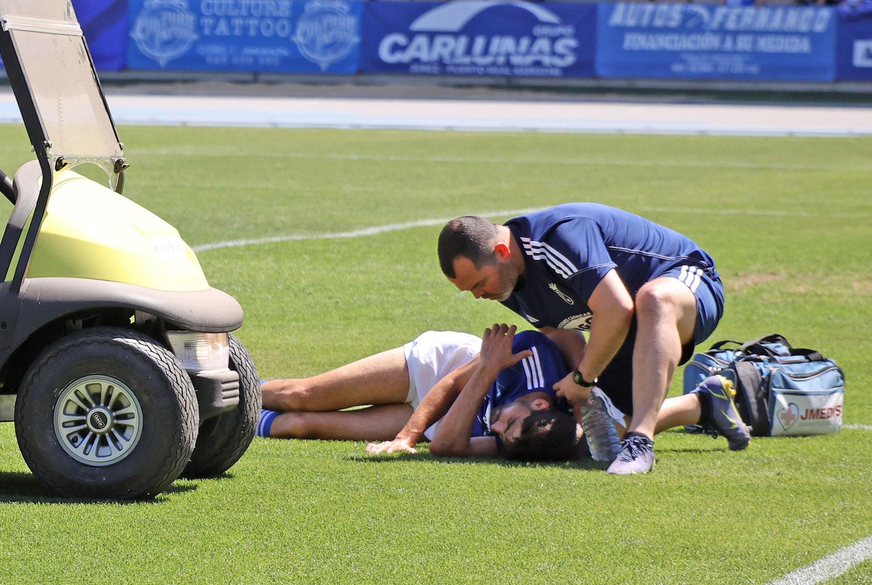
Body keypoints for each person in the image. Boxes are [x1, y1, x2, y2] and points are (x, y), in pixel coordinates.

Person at [437, 203, 732, 475]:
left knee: (654, 299)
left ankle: (641, 442)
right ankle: (704, 404)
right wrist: (589, 394)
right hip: (628, 326)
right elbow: (557, 330)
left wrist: (583, 378)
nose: (479, 295)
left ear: (502, 252)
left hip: (688, 282)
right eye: (470, 291)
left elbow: (617, 309)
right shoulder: (507, 279)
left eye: (479, 284)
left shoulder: (558, 237)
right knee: (598, 429)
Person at [260, 325, 745, 462]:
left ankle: (702, 402)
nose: (497, 428)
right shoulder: (533, 360)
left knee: (296, 427)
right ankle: (204, 381)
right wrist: (408, 437)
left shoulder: (535, 436)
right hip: (443, 369)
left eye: (502, 434)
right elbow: (452, 384)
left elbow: (448, 444)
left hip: (443, 420)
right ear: (538, 403)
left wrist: (424, 433)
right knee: (301, 396)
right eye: (507, 421)